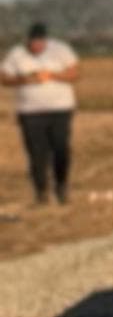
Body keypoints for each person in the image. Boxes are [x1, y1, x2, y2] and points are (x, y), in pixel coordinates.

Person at [7, 22, 77, 205]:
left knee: (61, 149)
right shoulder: (16, 54)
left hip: (60, 109)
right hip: (30, 113)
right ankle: (41, 193)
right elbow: (4, 78)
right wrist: (24, 79)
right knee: (37, 153)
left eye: (40, 43)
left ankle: (61, 186)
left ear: (45, 40)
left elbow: (75, 74)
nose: (36, 46)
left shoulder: (61, 50)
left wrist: (52, 75)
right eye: (33, 43)